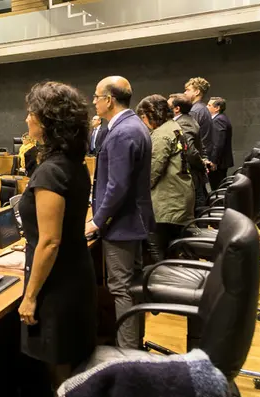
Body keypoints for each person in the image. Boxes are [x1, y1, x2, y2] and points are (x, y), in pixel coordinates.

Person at [17, 81, 97, 397]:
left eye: (31, 113)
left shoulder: (50, 172)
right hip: (76, 276)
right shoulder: (73, 164)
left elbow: (49, 241)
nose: (27, 118)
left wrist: (30, 297)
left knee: (62, 384)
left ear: (45, 122)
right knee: (72, 379)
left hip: (56, 289)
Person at [86, 76, 154, 350]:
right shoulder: (134, 125)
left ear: (109, 100)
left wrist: (96, 221)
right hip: (133, 221)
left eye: (96, 96)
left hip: (122, 225)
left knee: (121, 290)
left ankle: (127, 356)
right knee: (132, 287)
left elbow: (117, 186)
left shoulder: (122, 132)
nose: (93, 102)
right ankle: (134, 344)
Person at [136, 95, 195, 262]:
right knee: (173, 248)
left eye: (143, 117)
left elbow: (152, 172)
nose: (144, 122)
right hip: (180, 194)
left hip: (167, 201)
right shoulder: (174, 126)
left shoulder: (161, 135)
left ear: (151, 114)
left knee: (156, 248)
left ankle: (162, 281)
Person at [169, 93, 208, 210]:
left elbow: (189, 151)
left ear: (177, 109)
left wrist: (202, 164)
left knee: (195, 214)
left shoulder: (183, 123)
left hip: (192, 176)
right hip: (193, 176)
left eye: (168, 105)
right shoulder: (186, 120)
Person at [184, 77, 213, 172]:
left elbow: (190, 139)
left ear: (197, 92)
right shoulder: (202, 108)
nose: (185, 93)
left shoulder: (195, 111)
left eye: (188, 90)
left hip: (197, 158)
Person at [207, 97, 234, 190]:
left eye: (209, 105)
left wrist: (214, 161)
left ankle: (221, 204)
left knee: (217, 188)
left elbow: (218, 142)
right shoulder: (221, 118)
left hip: (218, 162)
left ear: (217, 108)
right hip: (220, 161)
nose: (206, 107)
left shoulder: (219, 120)